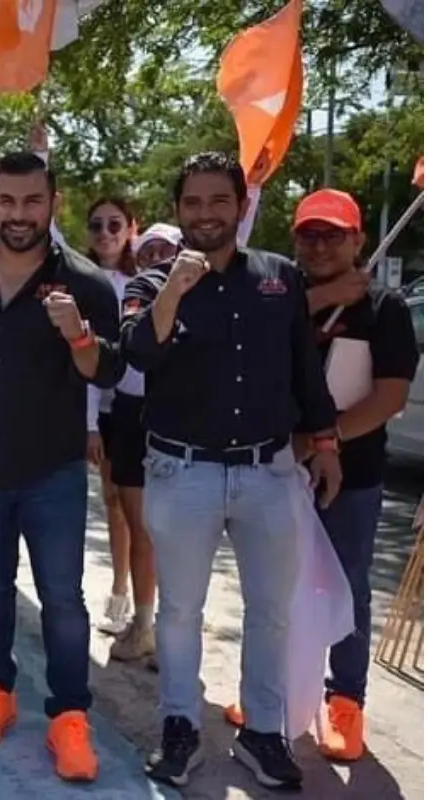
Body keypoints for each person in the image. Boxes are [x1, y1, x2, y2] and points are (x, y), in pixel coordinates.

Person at [120, 152, 342, 791]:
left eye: (219, 201)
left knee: (270, 611)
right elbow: (137, 353)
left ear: (241, 206)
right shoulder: (152, 281)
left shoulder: (277, 277)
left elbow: (305, 369)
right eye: (193, 203)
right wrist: (175, 289)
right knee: (180, 612)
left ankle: (264, 733)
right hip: (180, 471)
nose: (206, 214)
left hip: (268, 473)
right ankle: (180, 727)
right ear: (177, 210)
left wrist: (324, 442)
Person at [0, 152, 122, 783]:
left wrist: (77, 335)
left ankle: (70, 716)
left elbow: (108, 371)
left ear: (53, 203)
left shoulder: (88, 284)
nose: (19, 215)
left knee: (64, 601)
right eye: (7, 202)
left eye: (32, 202)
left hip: (53, 474)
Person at [220, 189, 420, 761]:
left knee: (347, 588)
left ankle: (344, 701)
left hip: (350, 476)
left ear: (358, 240)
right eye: (310, 234)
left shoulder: (384, 309)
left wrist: (323, 441)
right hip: (271, 471)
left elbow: (389, 397)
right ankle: (269, 694)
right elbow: (246, 340)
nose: (321, 245)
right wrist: (326, 297)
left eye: (334, 234)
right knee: (268, 588)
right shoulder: (277, 292)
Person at [83, 197, 140, 638]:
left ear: (131, 228)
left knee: (146, 513)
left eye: (114, 224)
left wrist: (250, 191)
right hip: (101, 409)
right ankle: (119, 593)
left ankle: (146, 605)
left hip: (144, 409)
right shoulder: (82, 280)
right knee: (114, 504)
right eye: (97, 225)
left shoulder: (148, 279)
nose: (105, 233)